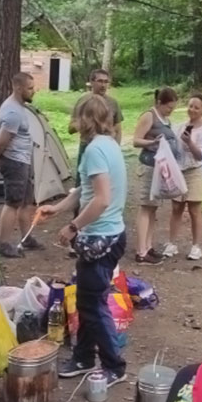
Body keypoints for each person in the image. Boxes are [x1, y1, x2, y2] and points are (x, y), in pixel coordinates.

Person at [39, 96, 128, 387]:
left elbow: (101, 200)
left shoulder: (94, 150)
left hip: (100, 237)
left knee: (92, 303)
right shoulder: (109, 144)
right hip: (111, 235)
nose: (72, 122)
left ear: (86, 118)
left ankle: (115, 366)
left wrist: (73, 226)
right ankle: (83, 357)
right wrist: (59, 207)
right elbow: (86, 190)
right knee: (89, 300)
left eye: (76, 116)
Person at [0, 72, 43, 258]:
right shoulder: (13, 112)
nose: (33, 91)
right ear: (18, 88)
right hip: (14, 162)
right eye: (30, 88)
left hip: (23, 160)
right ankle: (3, 244)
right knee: (12, 202)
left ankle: (27, 238)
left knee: (26, 202)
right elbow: (0, 142)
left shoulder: (18, 107)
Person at [132, 87, 180, 264]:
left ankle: (148, 246)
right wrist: (152, 142)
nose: (170, 111)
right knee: (145, 207)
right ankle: (141, 251)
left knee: (153, 208)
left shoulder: (165, 119)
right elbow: (136, 140)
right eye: (168, 107)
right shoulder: (149, 116)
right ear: (159, 103)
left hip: (160, 169)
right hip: (148, 167)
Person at [163, 93, 202, 261]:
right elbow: (173, 149)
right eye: (190, 106)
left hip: (196, 171)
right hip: (179, 170)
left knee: (194, 210)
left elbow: (200, 156)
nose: (192, 110)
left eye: (197, 107)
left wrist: (190, 142)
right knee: (176, 207)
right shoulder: (180, 126)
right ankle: (171, 243)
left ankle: (196, 246)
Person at [69, 68, 123, 166]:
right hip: (87, 146)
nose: (103, 85)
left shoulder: (113, 103)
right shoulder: (83, 101)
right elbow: (71, 128)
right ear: (92, 82)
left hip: (107, 147)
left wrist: (116, 149)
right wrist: (88, 124)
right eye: (100, 81)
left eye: (106, 82)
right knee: (83, 179)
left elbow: (118, 130)